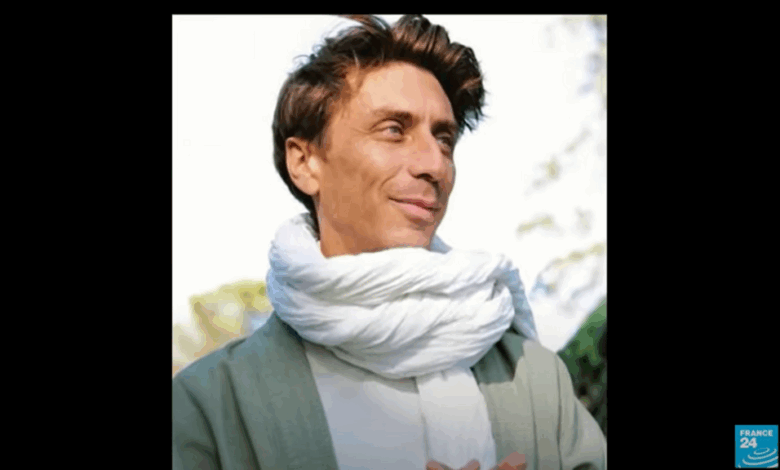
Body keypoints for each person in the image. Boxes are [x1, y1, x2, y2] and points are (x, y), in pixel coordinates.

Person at [172, 15, 607, 470]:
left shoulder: (536, 381)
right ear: (305, 162)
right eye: (394, 130)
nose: (434, 164)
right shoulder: (207, 409)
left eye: (444, 139)